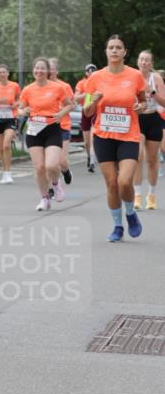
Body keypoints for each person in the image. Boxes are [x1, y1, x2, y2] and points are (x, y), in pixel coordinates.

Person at [84, 34, 147, 241]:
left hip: (128, 135)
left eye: (118, 47)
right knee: (112, 183)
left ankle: (130, 214)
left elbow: (143, 102)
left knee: (125, 182)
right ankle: (118, 226)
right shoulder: (95, 78)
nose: (114, 50)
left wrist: (141, 106)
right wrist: (94, 101)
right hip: (104, 135)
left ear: (124, 52)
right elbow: (86, 111)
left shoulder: (135, 75)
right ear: (106, 51)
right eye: (111, 47)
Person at [17, 58, 75, 211]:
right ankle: (44, 198)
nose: (39, 71)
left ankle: (56, 185)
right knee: (39, 168)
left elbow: (70, 105)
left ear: (48, 71)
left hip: (52, 129)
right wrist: (23, 111)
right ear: (33, 70)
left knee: (51, 165)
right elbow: (19, 108)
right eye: (37, 68)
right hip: (34, 131)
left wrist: (60, 114)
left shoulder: (58, 88)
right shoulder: (28, 89)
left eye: (43, 68)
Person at [133, 50, 165, 210]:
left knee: (152, 161)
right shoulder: (131, 76)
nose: (144, 62)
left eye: (147, 60)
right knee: (137, 157)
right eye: (141, 59)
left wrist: (152, 92)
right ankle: (137, 195)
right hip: (137, 119)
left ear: (151, 64)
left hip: (153, 119)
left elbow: (164, 102)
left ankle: (151, 195)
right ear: (138, 62)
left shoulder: (156, 78)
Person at [48, 58, 75, 187]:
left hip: (63, 126)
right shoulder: (41, 86)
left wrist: (61, 110)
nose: (50, 70)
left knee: (62, 161)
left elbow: (73, 105)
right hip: (46, 127)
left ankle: (66, 171)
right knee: (50, 162)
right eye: (48, 67)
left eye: (52, 68)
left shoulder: (64, 86)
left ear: (56, 71)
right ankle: (54, 186)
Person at [75, 63, 98, 172]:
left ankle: (92, 161)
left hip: (96, 111)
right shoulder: (81, 83)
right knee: (87, 141)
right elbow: (76, 98)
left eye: (93, 70)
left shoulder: (100, 82)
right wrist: (87, 94)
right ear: (86, 72)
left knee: (93, 138)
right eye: (89, 70)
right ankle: (89, 156)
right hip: (85, 111)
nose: (91, 72)